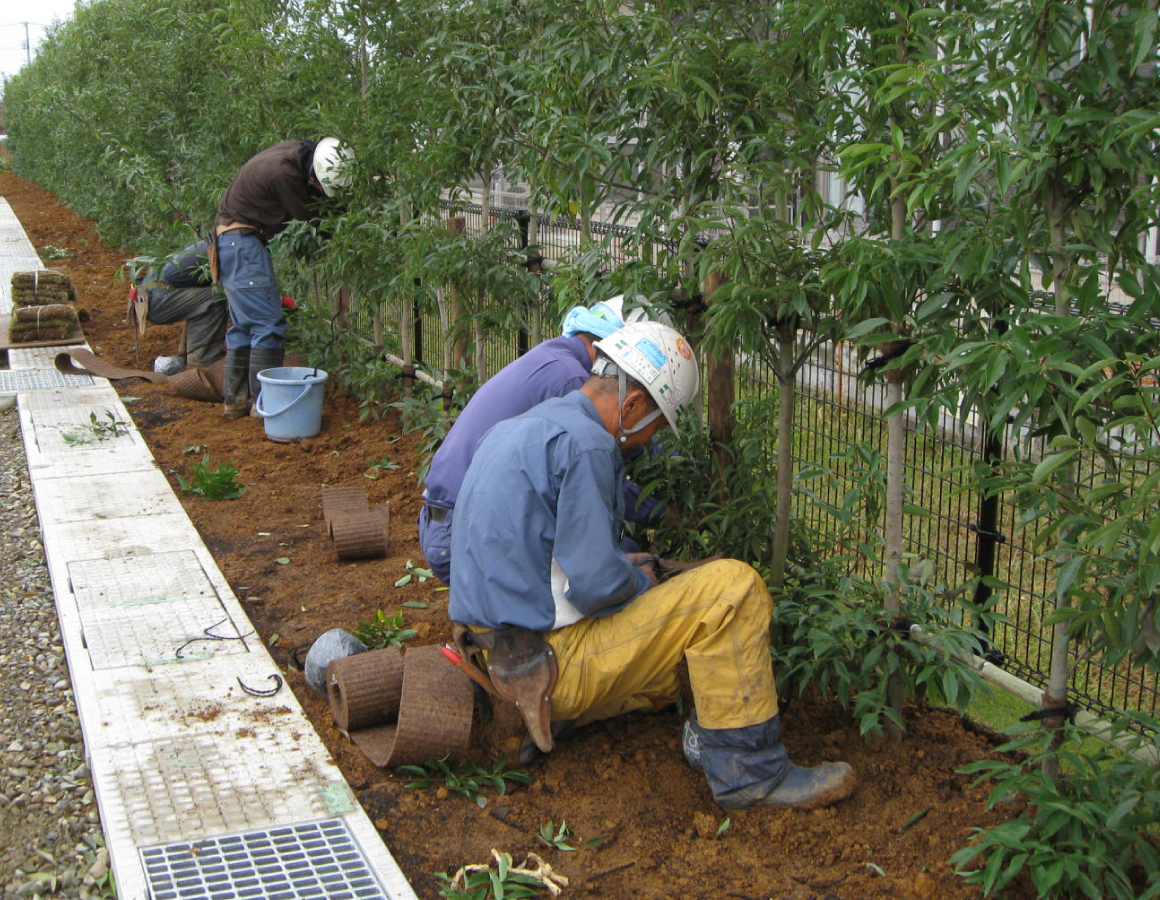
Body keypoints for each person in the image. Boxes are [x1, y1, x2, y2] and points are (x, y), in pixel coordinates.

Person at [448, 321, 858, 811]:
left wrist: (624, 565)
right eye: (656, 426)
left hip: (494, 654)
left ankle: (549, 717)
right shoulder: (587, 443)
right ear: (632, 406)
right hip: (551, 663)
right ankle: (754, 776)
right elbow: (597, 586)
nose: (647, 440)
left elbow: (540, 552)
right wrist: (637, 579)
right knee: (735, 587)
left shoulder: (523, 427)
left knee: (668, 671)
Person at [418, 296, 664, 584]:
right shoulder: (572, 381)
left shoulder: (556, 358)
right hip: (461, 536)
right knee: (614, 570)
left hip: (443, 523)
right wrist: (660, 512)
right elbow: (594, 480)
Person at [215, 137, 353, 417]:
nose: (315, 188)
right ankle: (263, 405)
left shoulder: (292, 154)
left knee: (245, 326)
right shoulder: (285, 172)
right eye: (317, 184)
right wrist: (345, 238)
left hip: (230, 244)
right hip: (243, 246)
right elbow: (309, 215)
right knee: (268, 325)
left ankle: (235, 401)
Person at [128, 239, 225, 370]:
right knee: (218, 296)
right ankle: (201, 362)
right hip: (156, 300)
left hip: (150, 295)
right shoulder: (225, 248)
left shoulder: (214, 242)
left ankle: (186, 355)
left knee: (202, 300)